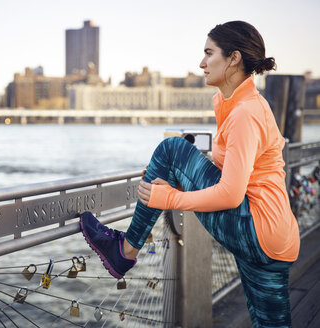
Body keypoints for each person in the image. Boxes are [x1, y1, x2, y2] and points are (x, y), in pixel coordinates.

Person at [80, 21, 300, 327]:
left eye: (209, 54)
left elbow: (230, 193)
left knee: (171, 148)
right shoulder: (240, 105)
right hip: (274, 234)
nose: (202, 63)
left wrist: (171, 196)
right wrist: (178, 176)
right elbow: (236, 168)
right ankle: (125, 248)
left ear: (233, 58)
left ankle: (125, 249)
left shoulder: (245, 112)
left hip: (254, 225)